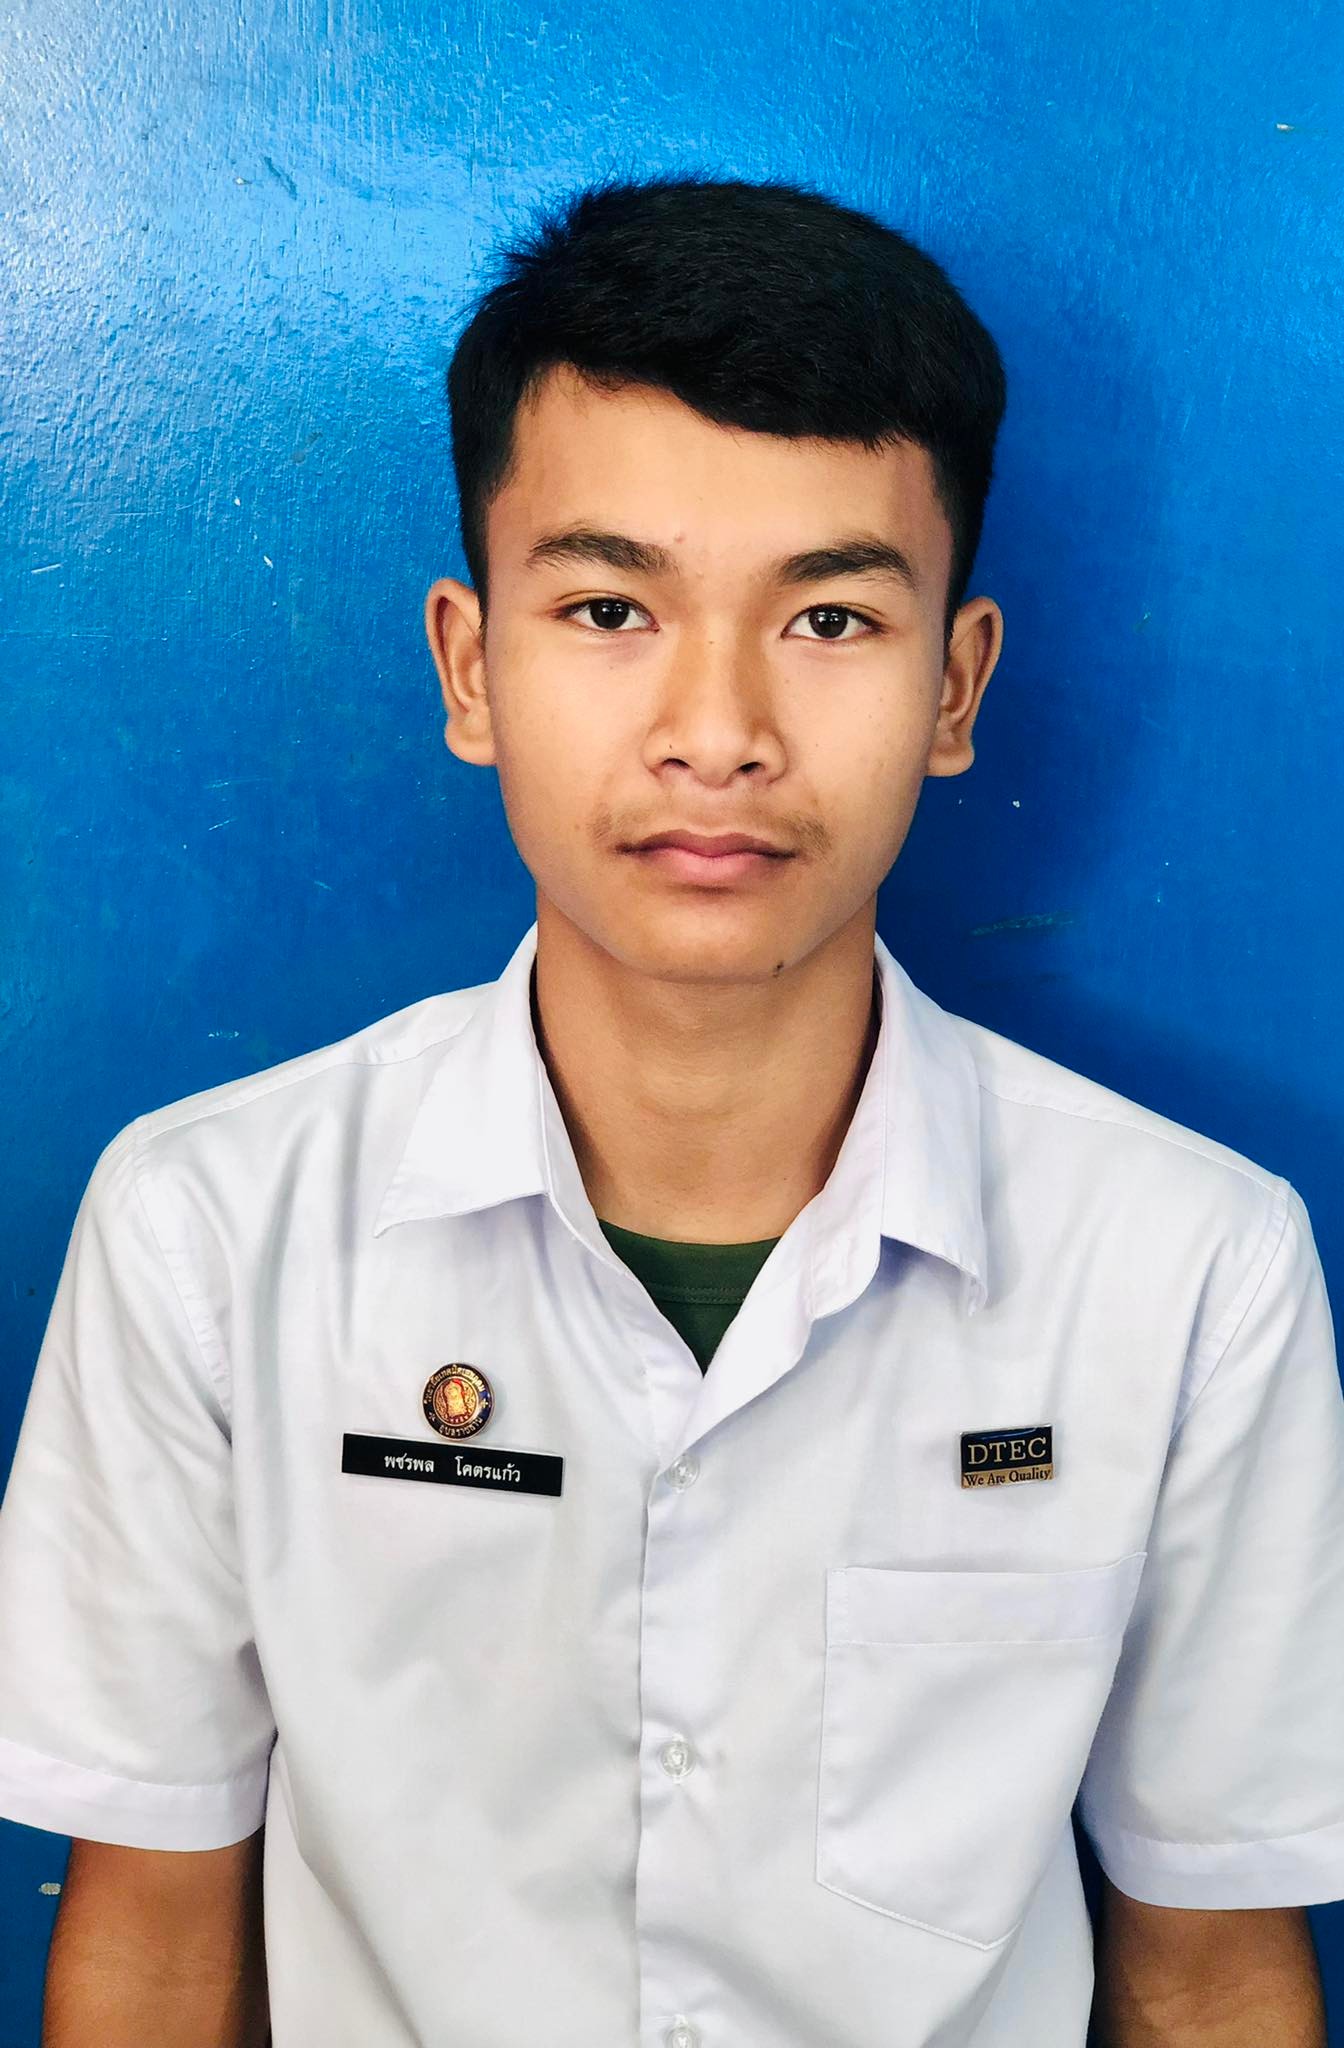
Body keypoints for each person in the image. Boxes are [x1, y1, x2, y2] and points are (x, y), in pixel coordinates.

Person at [1, 172, 1341, 2048]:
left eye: (831, 619)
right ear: (473, 665)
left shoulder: (1190, 1270)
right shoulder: (209, 1234)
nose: (718, 732)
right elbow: (151, 1942)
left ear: (956, 687)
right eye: (611, 605)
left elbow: (1207, 1972)